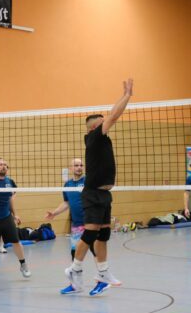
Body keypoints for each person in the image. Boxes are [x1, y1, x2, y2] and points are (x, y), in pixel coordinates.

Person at [63, 78, 133, 296]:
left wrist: (123, 95)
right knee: (90, 233)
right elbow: (114, 115)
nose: (108, 123)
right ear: (95, 126)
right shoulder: (93, 136)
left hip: (104, 195)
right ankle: (74, 269)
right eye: (103, 122)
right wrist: (127, 96)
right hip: (92, 194)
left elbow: (111, 114)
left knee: (103, 235)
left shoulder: (101, 139)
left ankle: (103, 273)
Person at [45, 158, 98, 262]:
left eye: (81, 165)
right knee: (74, 251)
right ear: (70, 168)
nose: (79, 167)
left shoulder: (88, 181)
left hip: (90, 222)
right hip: (76, 224)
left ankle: (102, 270)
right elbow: (67, 202)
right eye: (76, 165)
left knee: (95, 250)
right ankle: (75, 271)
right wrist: (54, 213)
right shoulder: (67, 184)